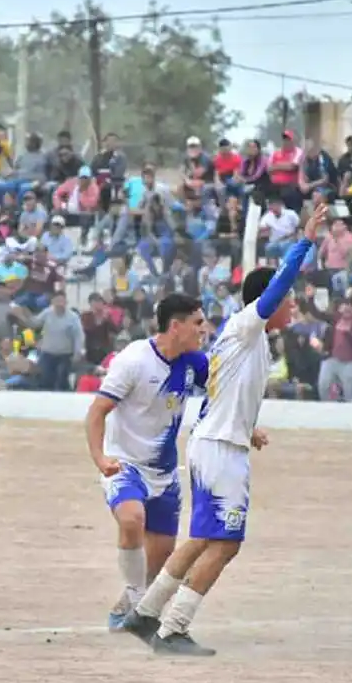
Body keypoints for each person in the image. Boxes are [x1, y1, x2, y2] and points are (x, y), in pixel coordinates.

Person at [120, 203, 328, 656]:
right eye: (287, 300)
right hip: (219, 450)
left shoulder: (247, 340)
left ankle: (146, 613)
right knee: (226, 543)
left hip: (216, 442)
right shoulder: (248, 325)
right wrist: (305, 241)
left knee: (202, 538)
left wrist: (248, 429)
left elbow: (226, 393)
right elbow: (276, 292)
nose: (291, 307)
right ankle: (173, 628)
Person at [83, 292, 209, 631]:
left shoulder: (195, 362)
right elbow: (97, 412)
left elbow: (224, 396)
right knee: (130, 519)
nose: (204, 329)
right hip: (125, 465)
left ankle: (126, 604)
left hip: (165, 474)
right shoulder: (134, 360)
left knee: (160, 558)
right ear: (175, 326)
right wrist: (100, 458)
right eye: (197, 323)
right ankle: (138, 602)